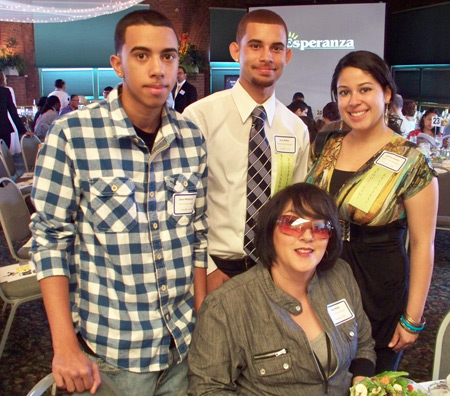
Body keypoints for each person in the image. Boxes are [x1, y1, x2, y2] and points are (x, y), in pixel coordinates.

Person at [30, 9, 208, 396]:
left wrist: (204, 329)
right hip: (114, 353)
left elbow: (197, 236)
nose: (158, 69)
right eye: (142, 56)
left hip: (184, 347)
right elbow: (50, 243)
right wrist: (64, 347)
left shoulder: (191, 138)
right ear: (118, 63)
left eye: (168, 56)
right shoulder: (73, 135)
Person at [307, 50, 438, 372]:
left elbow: (423, 245)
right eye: (344, 92)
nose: (354, 101)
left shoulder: (412, 162)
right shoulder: (326, 144)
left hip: (379, 288)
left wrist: (413, 318)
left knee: (371, 381)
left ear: (387, 93)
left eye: (365, 89)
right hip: (324, 278)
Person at [188, 183, 376, 396]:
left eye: (320, 227)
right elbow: (207, 389)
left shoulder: (340, 275)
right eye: (293, 224)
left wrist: (362, 384)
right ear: (270, 231)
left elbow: (364, 344)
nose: (307, 236)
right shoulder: (225, 306)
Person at [184, 9, 309, 292]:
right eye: (255, 46)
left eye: (276, 48)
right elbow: (183, 205)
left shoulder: (296, 129)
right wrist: (207, 271)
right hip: (213, 270)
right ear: (235, 50)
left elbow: (295, 208)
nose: (267, 57)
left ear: (286, 56)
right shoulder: (200, 118)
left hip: (273, 271)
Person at [0, 70, 26, 150]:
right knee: (5, 157)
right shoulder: (5, 92)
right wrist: (23, 131)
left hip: (4, 129)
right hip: (3, 129)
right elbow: (13, 112)